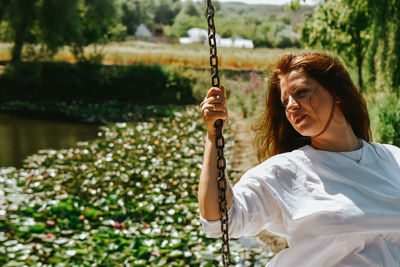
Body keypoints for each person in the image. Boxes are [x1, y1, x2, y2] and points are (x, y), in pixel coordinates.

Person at [198, 52, 400, 266]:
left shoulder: (393, 159)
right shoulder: (286, 171)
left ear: (336, 93)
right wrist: (214, 137)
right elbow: (218, 219)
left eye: (301, 93)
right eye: (285, 102)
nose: (292, 106)